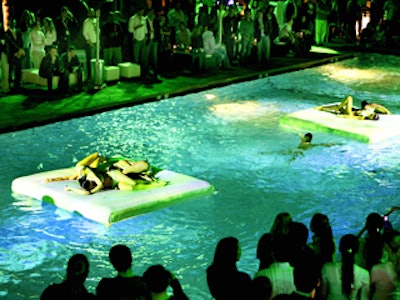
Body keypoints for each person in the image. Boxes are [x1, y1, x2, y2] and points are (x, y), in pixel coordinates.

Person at [45, 152, 166, 195]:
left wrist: (102, 158)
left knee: (136, 173)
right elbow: (84, 191)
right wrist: (69, 188)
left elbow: (99, 184)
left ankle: (142, 175)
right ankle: (146, 179)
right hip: (115, 184)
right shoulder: (84, 180)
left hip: (115, 173)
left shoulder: (88, 173)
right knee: (130, 187)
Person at [320, 234, 369, 299]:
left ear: (340, 249)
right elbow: (364, 298)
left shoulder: (327, 268)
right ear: (356, 251)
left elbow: (323, 294)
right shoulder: (364, 274)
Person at [314, 95, 381, 120]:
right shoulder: (369, 111)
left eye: (372, 116)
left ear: (371, 118)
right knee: (338, 106)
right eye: (374, 114)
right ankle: (322, 108)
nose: (372, 115)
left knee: (349, 98)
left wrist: (343, 116)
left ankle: (324, 108)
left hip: (349, 113)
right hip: (350, 111)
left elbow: (353, 117)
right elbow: (376, 106)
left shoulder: (363, 117)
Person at [5, 18, 24, 91]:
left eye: (14, 22)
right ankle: (9, 85)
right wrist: (18, 50)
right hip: (12, 53)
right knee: (10, 69)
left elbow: (21, 41)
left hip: (18, 53)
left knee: (19, 69)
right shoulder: (7, 32)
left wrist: (20, 50)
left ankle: (17, 85)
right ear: (9, 23)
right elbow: (10, 43)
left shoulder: (18, 31)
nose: (13, 24)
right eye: (12, 22)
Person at [82, 8, 97, 79]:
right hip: (90, 44)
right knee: (90, 60)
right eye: (90, 12)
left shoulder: (96, 20)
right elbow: (84, 33)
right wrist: (89, 41)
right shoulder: (87, 21)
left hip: (96, 43)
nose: (91, 14)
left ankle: (95, 75)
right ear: (88, 14)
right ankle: (90, 77)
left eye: (92, 12)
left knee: (96, 60)